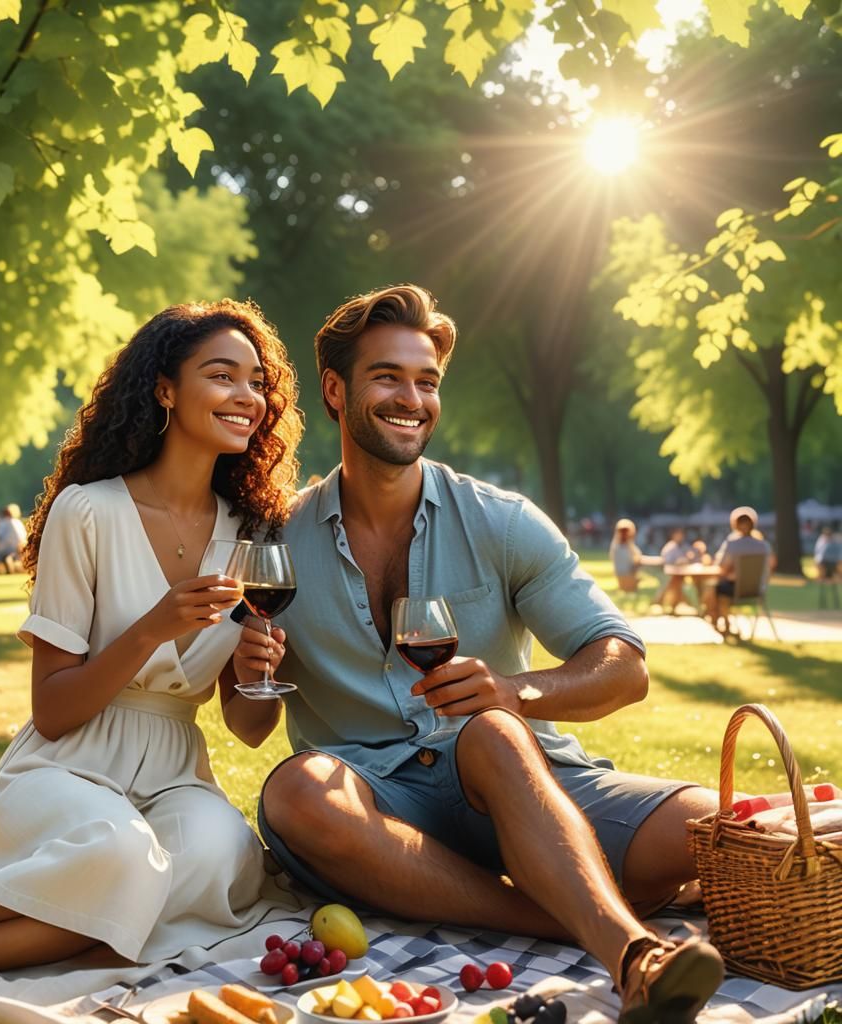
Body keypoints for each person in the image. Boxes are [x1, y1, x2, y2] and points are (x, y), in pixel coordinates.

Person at [257, 285, 724, 1024]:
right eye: (388, 377)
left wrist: (519, 693)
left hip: (518, 784)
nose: (412, 398)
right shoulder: (276, 542)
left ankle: (546, 885)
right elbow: (249, 726)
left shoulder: (502, 522)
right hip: (378, 808)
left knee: (716, 828)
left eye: (427, 381)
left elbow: (624, 664)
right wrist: (247, 669)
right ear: (336, 390)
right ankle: (624, 946)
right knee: (296, 793)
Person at [0, 300, 303, 994]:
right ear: (165, 389)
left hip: (173, 775)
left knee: (220, 857)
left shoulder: (250, 532)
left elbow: (246, 730)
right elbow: (52, 709)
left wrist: (257, 671)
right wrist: (150, 630)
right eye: (222, 375)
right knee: (120, 856)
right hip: (65, 770)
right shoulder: (90, 511)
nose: (247, 397)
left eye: (257, 382)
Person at [705, 507, 775, 632]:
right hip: (758, 589)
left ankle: (720, 621)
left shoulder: (733, 544)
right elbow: (771, 566)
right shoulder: (764, 546)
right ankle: (723, 622)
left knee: (714, 588)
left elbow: (721, 566)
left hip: (736, 589)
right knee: (718, 588)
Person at [656, 527, 691, 612]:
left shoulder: (683, 546)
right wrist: (677, 562)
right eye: (678, 534)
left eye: (681, 535)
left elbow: (688, 556)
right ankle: (674, 603)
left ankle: (672, 603)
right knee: (676, 583)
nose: (680, 536)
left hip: (678, 573)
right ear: (673, 535)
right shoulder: (670, 547)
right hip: (668, 573)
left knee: (678, 582)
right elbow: (666, 562)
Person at [0, 504, 28, 573]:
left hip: (7, 547)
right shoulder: (18, 522)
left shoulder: (4, 522)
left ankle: (4, 566)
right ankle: (12, 563)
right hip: (20, 546)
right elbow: (24, 535)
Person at [609, 518, 642, 592]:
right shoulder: (619, 547)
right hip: (626, 575)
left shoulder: (625, 546)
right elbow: (636, 560)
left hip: (626, 574)